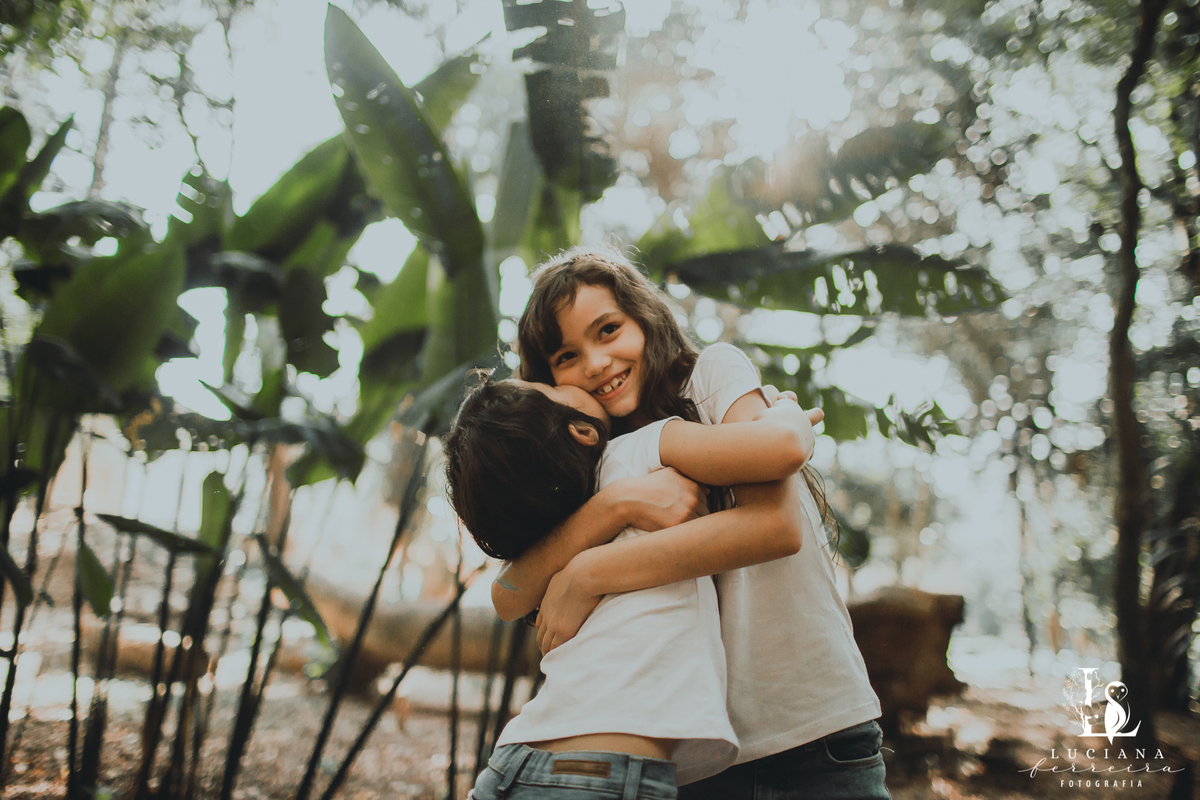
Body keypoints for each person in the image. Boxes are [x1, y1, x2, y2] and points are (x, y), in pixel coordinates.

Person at [494, 247, 889, 800]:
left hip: (811, 733)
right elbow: (510, 593)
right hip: (696, 755)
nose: (596, 363)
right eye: (567, 356)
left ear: (645, 319)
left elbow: (772, 529)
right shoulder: (594, 461)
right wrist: (616, 506)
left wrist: (590, 572)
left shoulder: (708, 377)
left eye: (608, 330)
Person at [443, 372, 822, 799]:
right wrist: (787, 411)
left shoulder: (562, 523)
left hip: (515, 761)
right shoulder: (639, 448)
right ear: (582, 432)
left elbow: (506, 596)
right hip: (598, 770)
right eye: (552, 389)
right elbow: (783, 447)